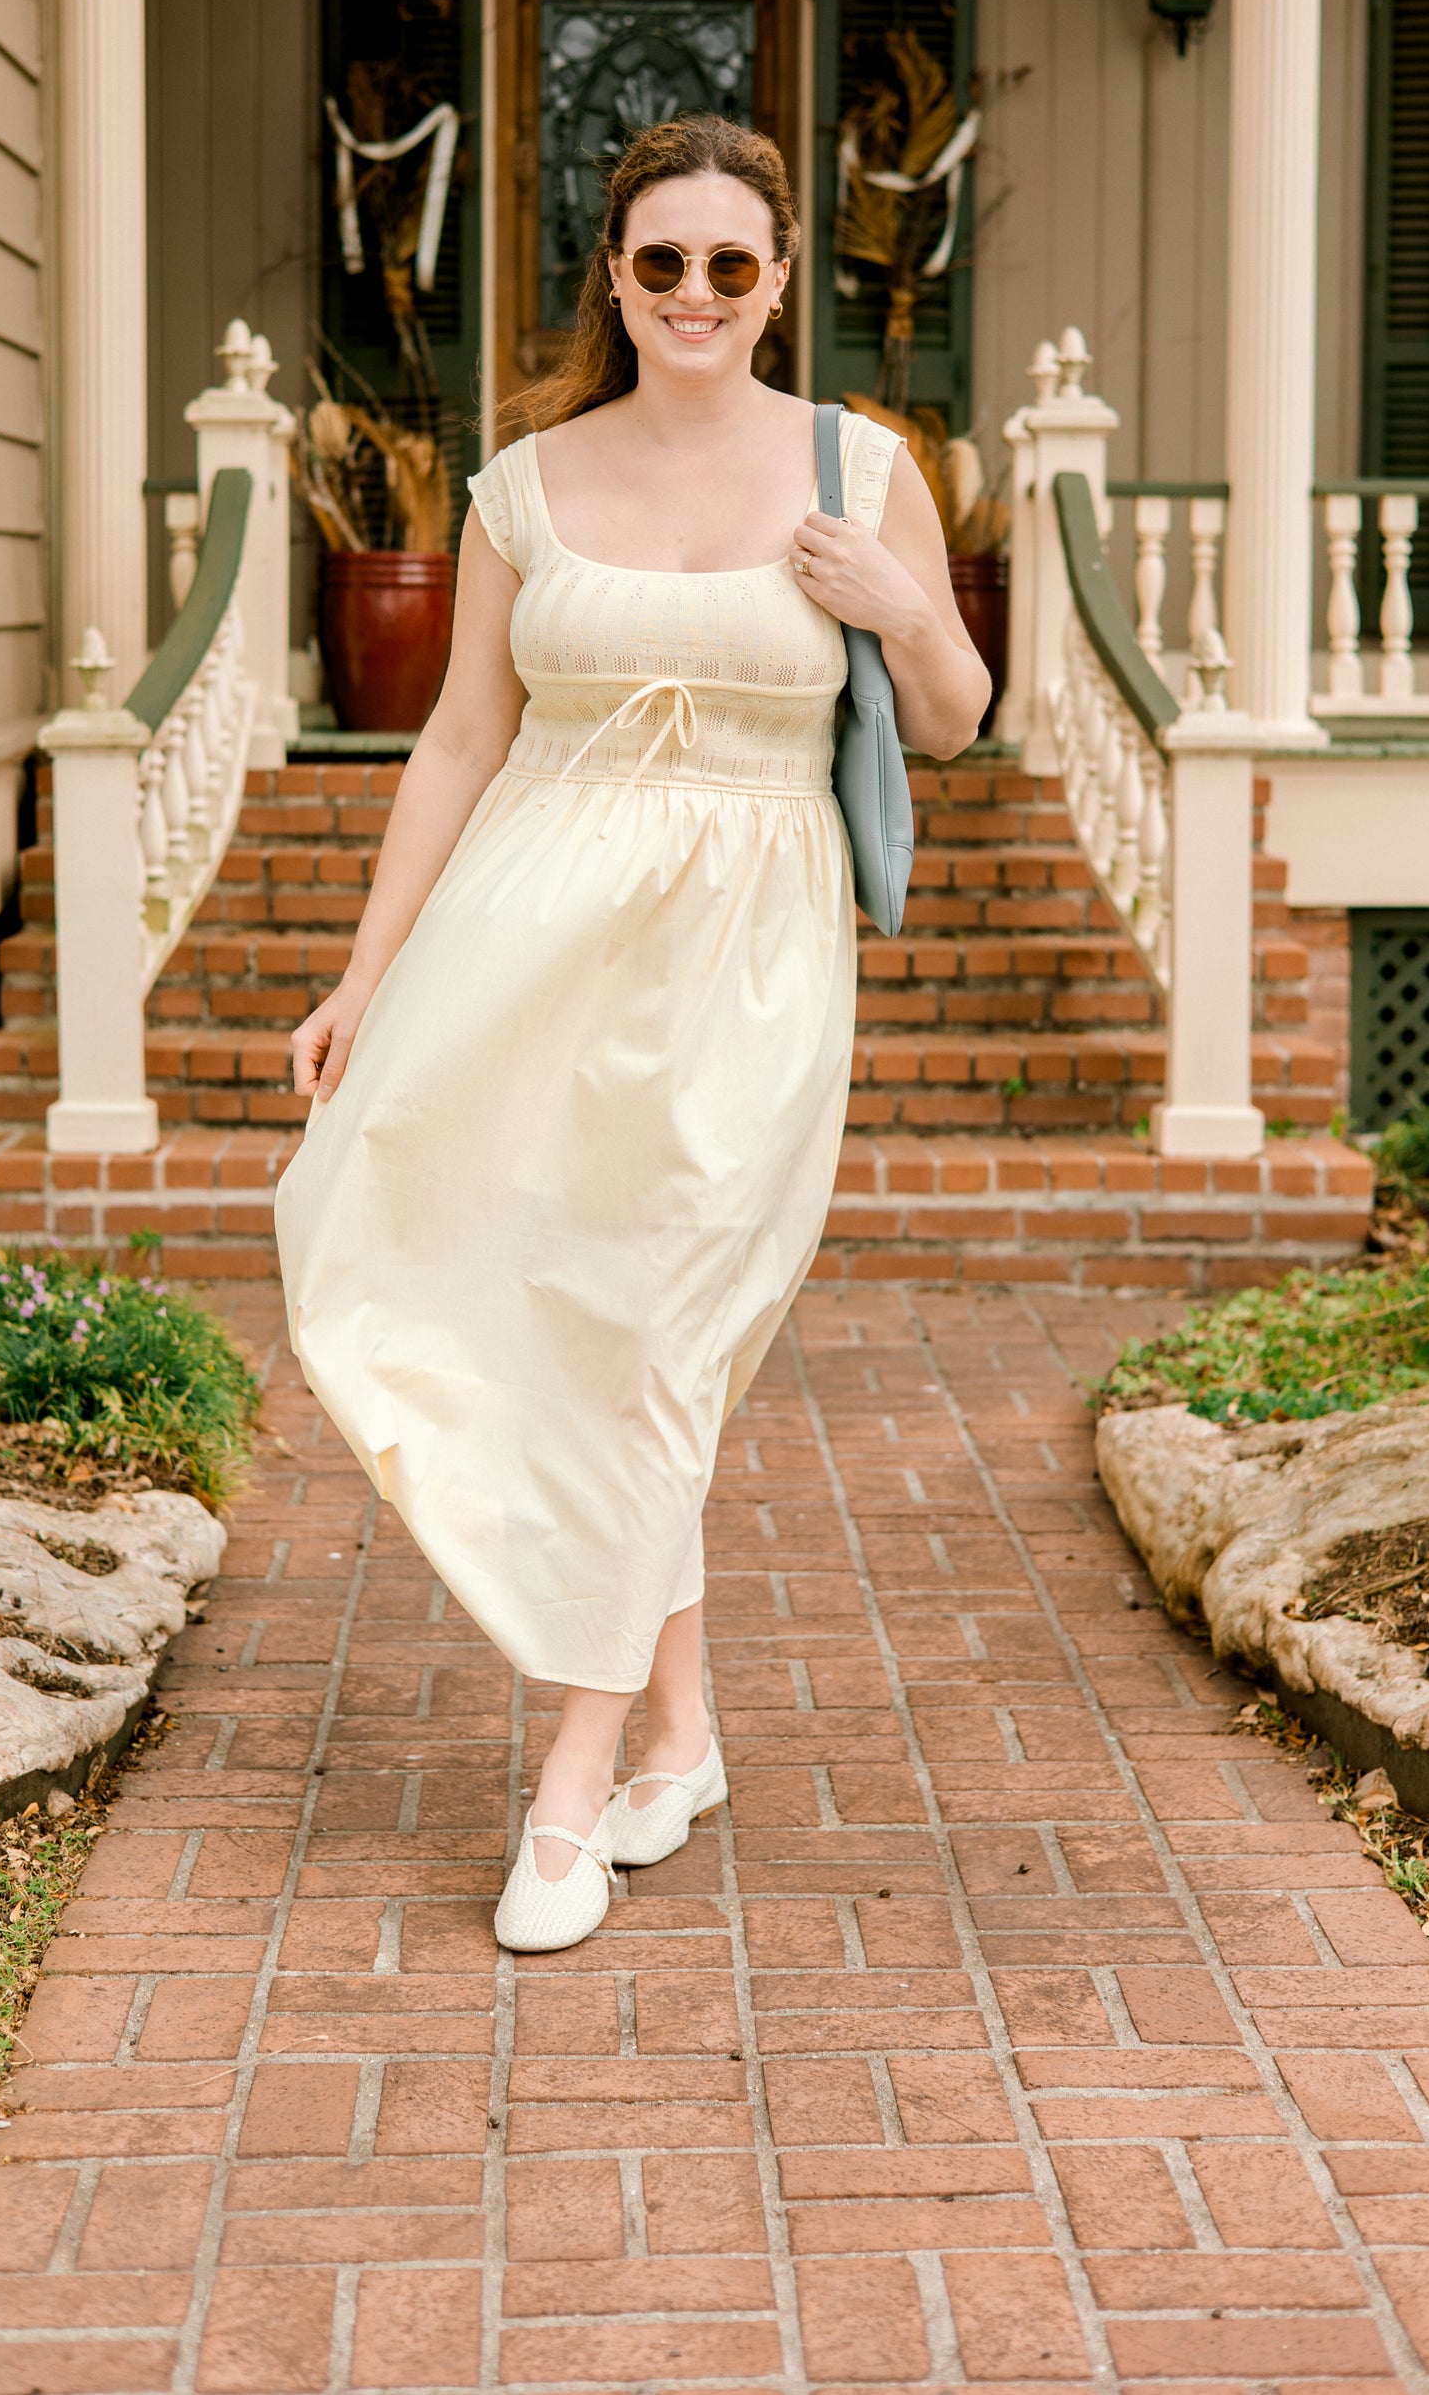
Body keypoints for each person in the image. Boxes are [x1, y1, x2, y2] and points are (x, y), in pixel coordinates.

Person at [275, 112, 989, 1952]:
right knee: (560, 1314)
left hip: (749, 954)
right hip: (526, 935)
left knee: (665, 1328)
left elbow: (955, 718)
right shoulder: (523, 482)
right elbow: (458, 738)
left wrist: (901, 607)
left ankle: (567, 1793)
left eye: (729, 263)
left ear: (777, 281)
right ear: (613, 274)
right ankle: (677, 1737)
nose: (693, 291)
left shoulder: (860, 466)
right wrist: (363, 974)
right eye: (660, 260)